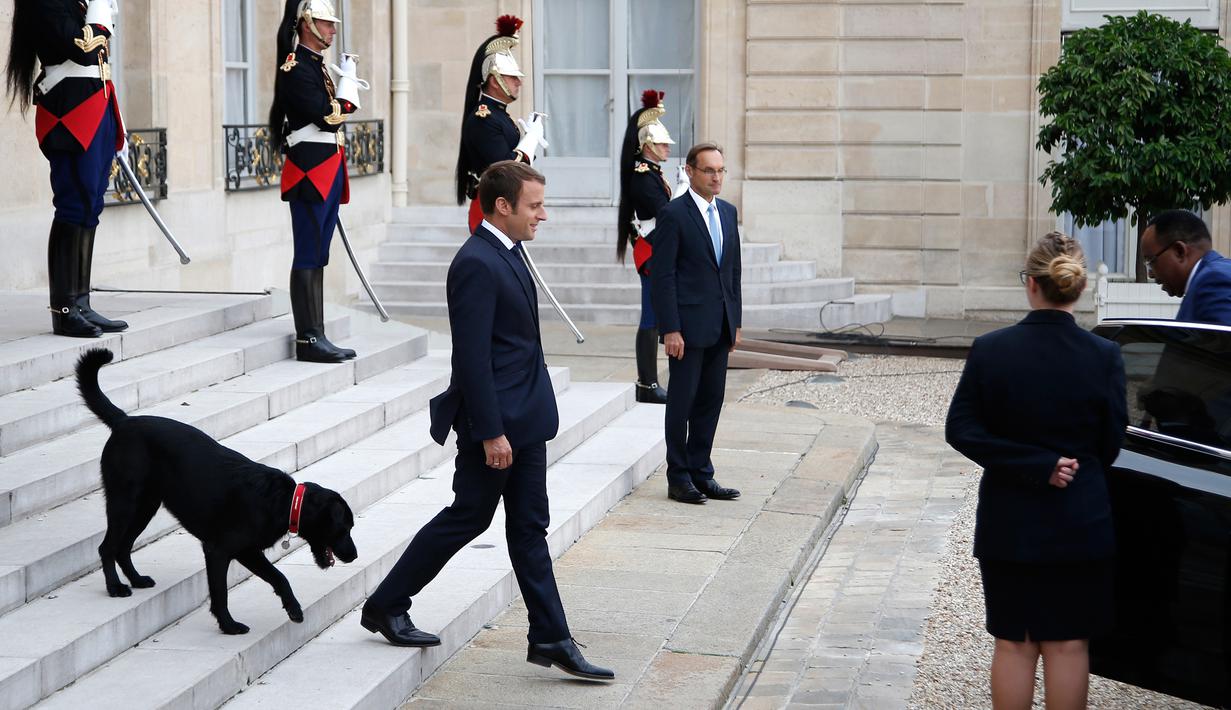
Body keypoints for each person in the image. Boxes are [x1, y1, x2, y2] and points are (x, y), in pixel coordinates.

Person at [361, 161, 613, 682]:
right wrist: (491, 431)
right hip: (498, 426)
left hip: (527, 419)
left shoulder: (510, 251)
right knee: (469, 517)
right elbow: (471, 358)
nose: (544, 215)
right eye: (535, 205)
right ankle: (386, 604)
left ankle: (551, 637)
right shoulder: (476, 261)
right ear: (504, 205)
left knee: (528, 528)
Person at [945, 232, 1128, 710]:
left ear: (1030, 284)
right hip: (1080, 517)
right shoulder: (1105, 355)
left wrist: (1031, 465)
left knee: (1015, 643)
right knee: (1068, 644)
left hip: (1011, 518)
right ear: (1078, 288)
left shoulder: (992, 349)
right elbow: (1111, 442)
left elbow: (961, 429)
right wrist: (1058, 467)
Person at [5, 0, 130, 337]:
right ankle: (63, 309)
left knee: (91, 206)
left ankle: (82, 302)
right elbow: (84, 51)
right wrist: (102, 8)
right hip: (69, 112)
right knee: (73, 205)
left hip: (95, 105)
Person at [270, 0, 366, 363]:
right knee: (309, 254)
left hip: (325, 169)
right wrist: (348, 93)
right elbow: (328, 118)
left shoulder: (316, 67)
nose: (333, 30)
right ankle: (308, 338)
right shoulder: (296, 68)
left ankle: (318, 332)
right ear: (306, 24)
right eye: (326, 23)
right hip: (310, 171)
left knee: (318, 256)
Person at [650, 143, 743, 505]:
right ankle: (679, 477)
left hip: (719, 325)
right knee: (683, 403)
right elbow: (664, 276)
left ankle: (702, 472)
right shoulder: (673, 214)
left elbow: (732, 271)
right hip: (686, 329)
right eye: (708, 170)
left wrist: (735, 321)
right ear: (690, 172)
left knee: (710, 401)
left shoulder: (728, 212)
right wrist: (670, 328)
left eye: (720, 170)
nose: (716, 177)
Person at [454, 14, 547, 233]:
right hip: (492, 213)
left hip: (505, 210)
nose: (519, 82)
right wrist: (530, 141)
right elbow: (506, 171)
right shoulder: (483, 119)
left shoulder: (499, 116)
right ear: (495, 81)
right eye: (511, 77)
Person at [617, 89, 678, 405]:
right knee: (651, 317)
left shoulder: (651, 172)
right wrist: (682, 194)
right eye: (662, 143)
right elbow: (662, 213)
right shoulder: (643, 176)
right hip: (651, 250)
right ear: (647, 145)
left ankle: (650, 382)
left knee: (656, 317)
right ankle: (647, 384)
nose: (667, 148)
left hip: (655, 247)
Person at [1139, 209, 1231, 326]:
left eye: (1151, 261)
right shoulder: (1215, 275)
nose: (1150, 274)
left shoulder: (1213, 282)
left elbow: (1223, 342)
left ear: (1179, 252)